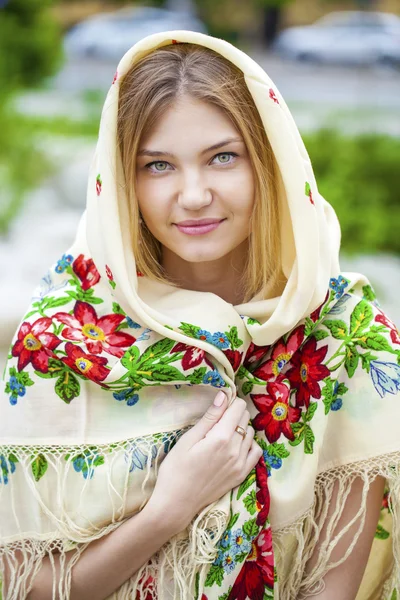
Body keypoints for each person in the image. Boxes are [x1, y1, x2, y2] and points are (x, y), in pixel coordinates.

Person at [1, 30, 400, 600]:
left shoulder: (344, 335)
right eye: (157, 165)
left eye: (223, 157)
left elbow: (330, 588)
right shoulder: (66, 334)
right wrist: (169, 508)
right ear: (122, 182)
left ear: (270, 164)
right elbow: (28, 588)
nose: (192, 195)